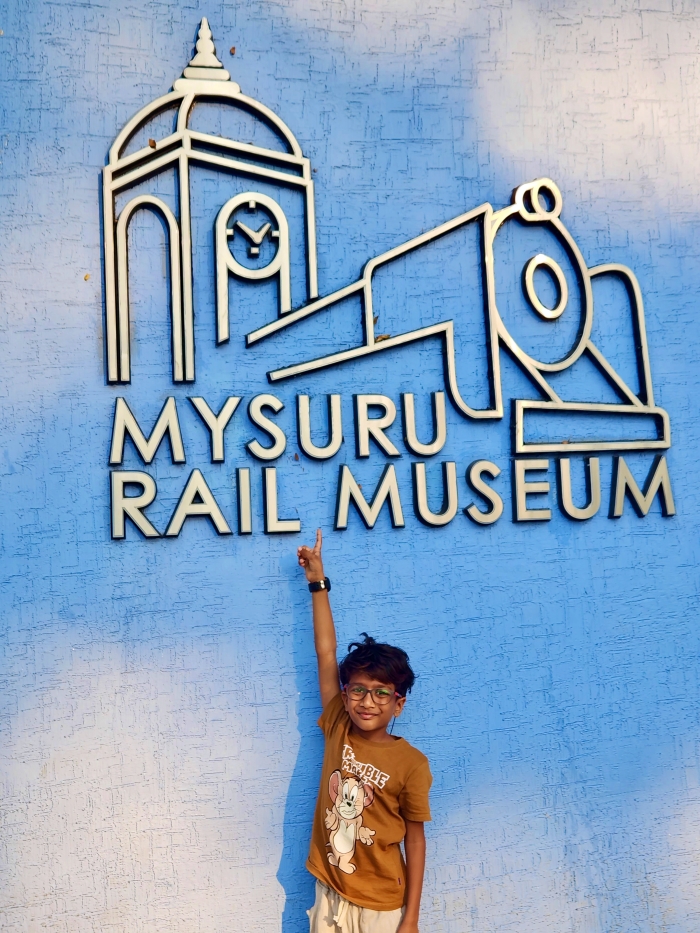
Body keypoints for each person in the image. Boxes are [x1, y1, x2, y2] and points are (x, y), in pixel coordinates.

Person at [297, 529, 432, 933]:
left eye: (380, 693)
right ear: (345, 692)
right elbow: (326, 651)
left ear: (398, 703)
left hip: (382, 907)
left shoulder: (411, 764)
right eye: (358, 689)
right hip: (331, 888)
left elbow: (416, 840)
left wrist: (411, 918)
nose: (367, 701)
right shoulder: (338, 722)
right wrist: (318, 582)